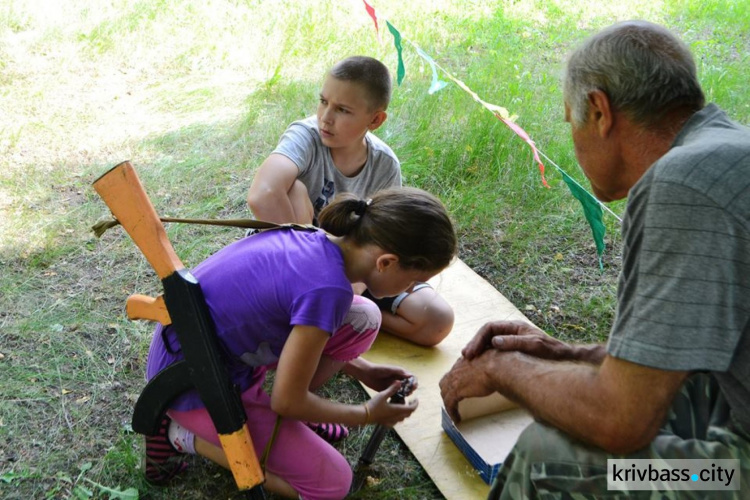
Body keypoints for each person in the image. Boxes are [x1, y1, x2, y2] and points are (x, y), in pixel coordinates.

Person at [440, 20, 749, 499]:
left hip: (738, 473)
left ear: (600, 111)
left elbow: (619, 420)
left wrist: (500, 370)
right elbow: (680, 365)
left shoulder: (682, 186)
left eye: (571, 120)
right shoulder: (728, 151)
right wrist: (568, 354)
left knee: (548, 457)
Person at [144, 187, 457, 499]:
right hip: (194, 385)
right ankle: (181, 434)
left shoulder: (316, 239)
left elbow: (297, 334)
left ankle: (293, 421)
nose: (412, 288)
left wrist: (365, 372)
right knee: (332, 484)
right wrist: (366, 413)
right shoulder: (328, 291)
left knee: (363, 317)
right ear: (386, 262)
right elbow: (285, 400)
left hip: (198, 349)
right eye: (415, 281)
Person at [247, 55, 454, 347]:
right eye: (323, 101)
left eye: (342, 110)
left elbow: (383, 245)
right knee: (293, 189)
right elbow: (263, 195)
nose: (325, 117)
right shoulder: (306, 136)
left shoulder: (385, 165)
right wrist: (317, 281)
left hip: (353, 271)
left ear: (376, 119)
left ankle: (345, 321)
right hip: (291, 265)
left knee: (437, 320)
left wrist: (345, 296)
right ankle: (329, 320)